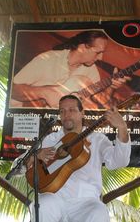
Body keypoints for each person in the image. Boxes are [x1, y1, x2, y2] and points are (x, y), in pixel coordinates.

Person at [25, 94, 131, 222]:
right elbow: (17, 166)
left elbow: (120, 161)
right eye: (62, 111)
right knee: (41, 206)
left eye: (72, 110)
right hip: (54, 198)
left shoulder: (97, 139)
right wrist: (35, 156)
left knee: (99, 212)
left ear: (82, 113)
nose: (66, 115)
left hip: (86, 202)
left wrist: (122, 128)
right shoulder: (51, 139)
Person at [10, 30, 131, 109]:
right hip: (28, 122)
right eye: (98, 52)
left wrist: (111, 87)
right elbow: (12, 90)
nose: (100, 58)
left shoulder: (91, 71)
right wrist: (45, 92)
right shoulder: (47, 59)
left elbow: (101, 101)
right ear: (83, 47)